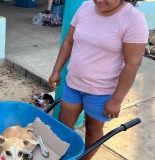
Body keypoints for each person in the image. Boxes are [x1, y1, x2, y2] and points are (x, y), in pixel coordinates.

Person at [49, 0, 148, 159]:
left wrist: (116, 100)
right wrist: (56, 71)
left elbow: (132, 64)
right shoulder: (85, 7)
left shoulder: (133, 19)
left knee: (93, 131)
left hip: (102, 92)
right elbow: (69, 42)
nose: (98, 1)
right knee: (64, 127)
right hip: (73, 83)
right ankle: (68, 156)